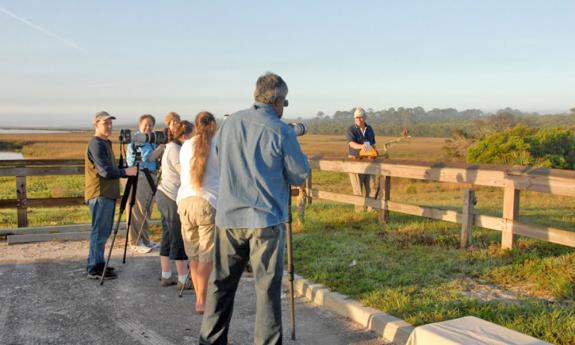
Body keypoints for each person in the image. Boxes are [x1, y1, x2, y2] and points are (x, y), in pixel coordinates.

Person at [199, 73, 310, 345]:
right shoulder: (281, 130)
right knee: (267, 289)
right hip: (265, 220)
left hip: (228, 218)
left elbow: (218, 159)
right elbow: (299, 174)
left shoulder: (229, 124)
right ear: (279, 100)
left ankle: (210, 340)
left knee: (221, 284)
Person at [85, 111, 137, 279]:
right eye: (105, 123)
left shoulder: (105, 143)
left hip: (106, 193)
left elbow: (110, 169)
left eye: (110, 123)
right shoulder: (96, 144)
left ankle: (98, 263)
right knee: (99, 231)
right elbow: (105, 171)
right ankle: (94, 268)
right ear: (96, 124)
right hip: (100, 193)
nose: (109, 126)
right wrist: (126, 171)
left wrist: (123, 171)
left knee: (103, 231)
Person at [177, 112, 218, 313]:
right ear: (214, 125)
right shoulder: (216, 145)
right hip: (207, 202)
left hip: (185, 202)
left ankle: (199, 298)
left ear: (195, 125)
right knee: (206, 256)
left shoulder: (185, 146)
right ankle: (202, 300)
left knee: (193, 256)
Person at [156, 120, 194, 287]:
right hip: (171, 196)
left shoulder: (172, 146)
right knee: (178, 236)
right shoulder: (176, 149)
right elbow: (185, 174)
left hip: (165, 194)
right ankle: (183, 279)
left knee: (168, 235)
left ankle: (166, 275)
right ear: (185, 136)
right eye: (193, 135)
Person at [126, 114, 159, 253]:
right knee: (138, 209)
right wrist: (163, 146)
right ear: (140, 125)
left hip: (150, 176)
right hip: (140, 176)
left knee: (146, 209)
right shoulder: (139, 139)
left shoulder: (150, 140)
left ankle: (144, 239)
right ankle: (135, 241)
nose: (148, 127)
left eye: (151, 125)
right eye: (145, 124)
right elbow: (149, 157)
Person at [346, 106, 378, 212]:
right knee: (358, 187)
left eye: (361, 117)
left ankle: (371, 208)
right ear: (354, 118)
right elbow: (351, 143)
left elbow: (372, 144)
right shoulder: (351, 129)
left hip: (368, 160)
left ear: (365, 118)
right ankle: (359, 211)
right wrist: (361, 146)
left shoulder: (369, 129)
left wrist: (375, 153)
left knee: (372, 185)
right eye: (357, 118)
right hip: (355, 160)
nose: (359, 120)